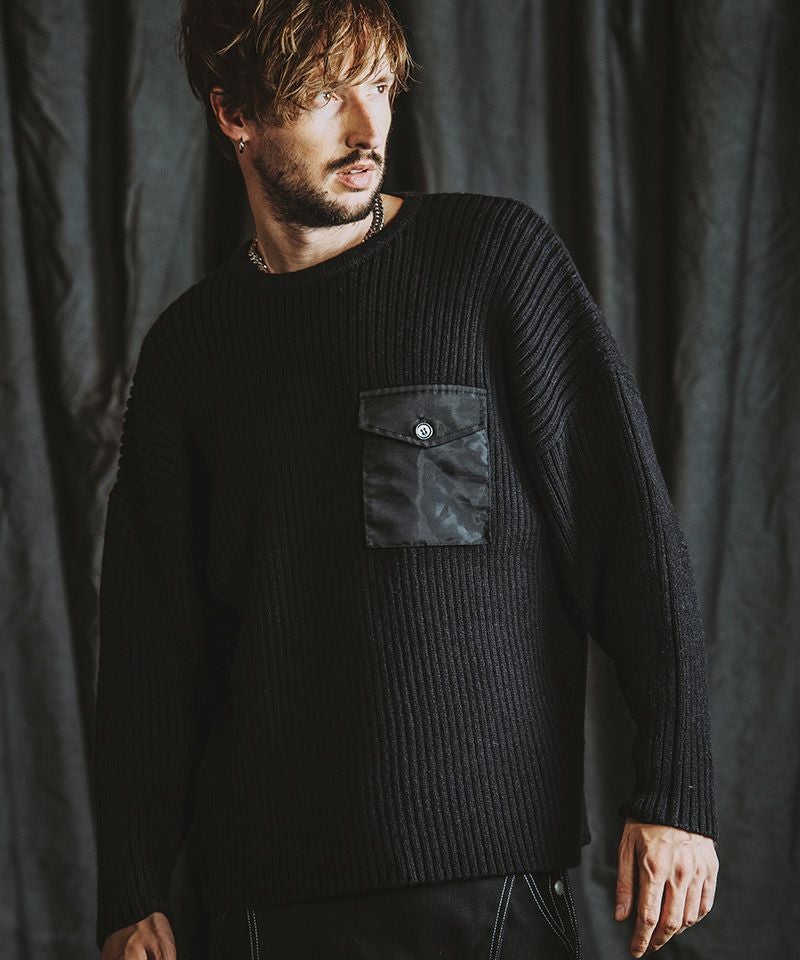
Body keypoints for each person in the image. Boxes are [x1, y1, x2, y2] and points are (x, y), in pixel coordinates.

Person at [92, 1, 720, 958]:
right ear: (234, 114)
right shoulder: (190, 350)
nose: (367, 129)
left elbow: (631, 536)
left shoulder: (492, 262)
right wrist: (130, 889)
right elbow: (151, 650)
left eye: (381, 88)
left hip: (488, 885)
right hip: (265, 899)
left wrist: (676, 791)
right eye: (323, 94)